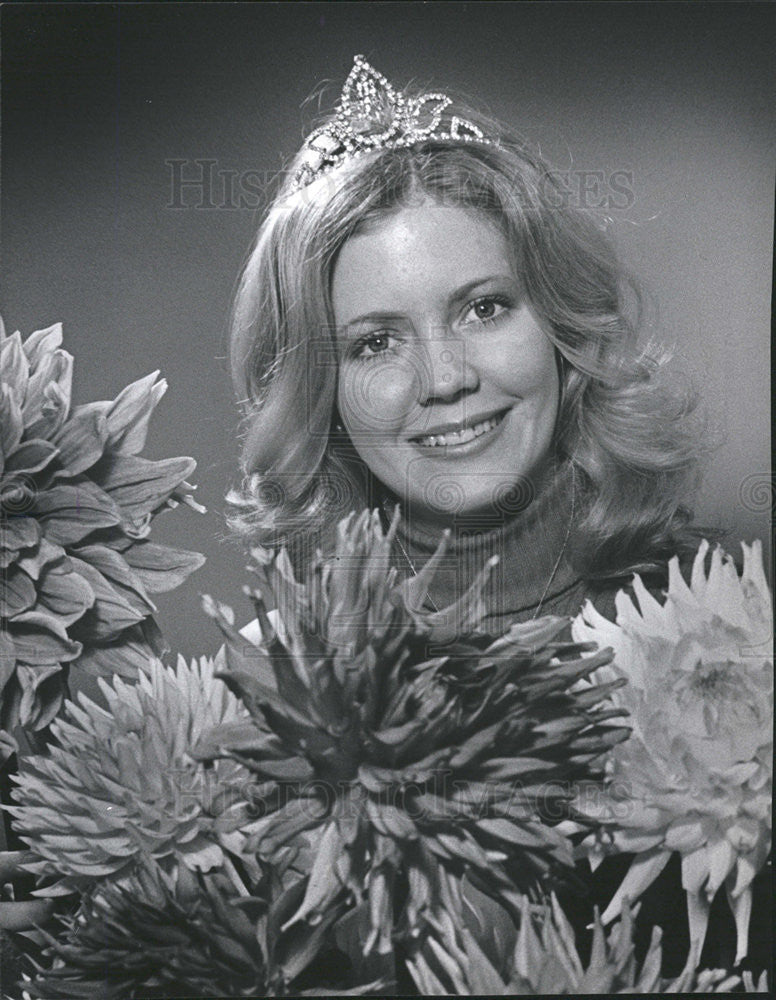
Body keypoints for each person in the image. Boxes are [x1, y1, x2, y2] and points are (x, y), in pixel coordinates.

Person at [223, 56, 767, 981]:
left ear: (560, 325)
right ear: (325, 392)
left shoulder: (740, 612)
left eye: (483, 308)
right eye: (377, 341)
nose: (445, 380)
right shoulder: (276, 686)